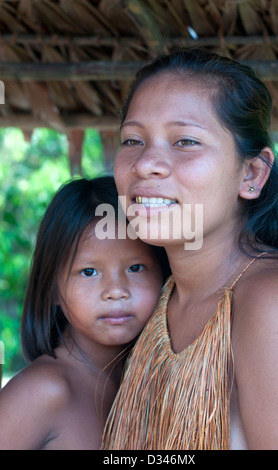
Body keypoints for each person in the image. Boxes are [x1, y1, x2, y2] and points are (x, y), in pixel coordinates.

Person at [102, 48, 278, 450]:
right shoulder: (157, 296)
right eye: (133, 140)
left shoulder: (277, 303)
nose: (146, 164)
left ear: (251, 174)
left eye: (186, 141)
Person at [0, 176, 166, 450]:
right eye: (89, 272)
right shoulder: (44, 391)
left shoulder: (152, 385)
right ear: (52, 288)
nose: (116, 290)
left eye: (135, 267)